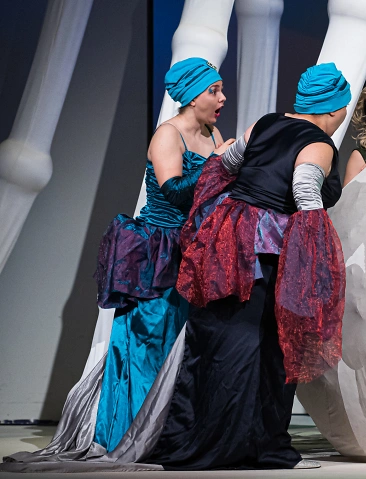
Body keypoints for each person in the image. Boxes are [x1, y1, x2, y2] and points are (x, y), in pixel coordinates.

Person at [1, 57, 232, 465]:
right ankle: (131, 433)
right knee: (147, 344)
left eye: (220, 89)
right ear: (193, 95)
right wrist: (218, 164)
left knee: (182, 347)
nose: (222, 98)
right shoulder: (168, 135)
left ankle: (170, 433)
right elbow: (176, 192)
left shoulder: (213, 134)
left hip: (191, 250)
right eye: (214, 90)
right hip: (158, 252)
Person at [145, 62, 348, 470]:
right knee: (264, 346)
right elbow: (305, 192)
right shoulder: (319, 143)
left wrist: (219, 217)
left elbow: (224, 167)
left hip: (227, 237)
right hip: (266, 250)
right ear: (333, 107)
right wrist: (315, 265)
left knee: (216, 338)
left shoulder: (265, 122)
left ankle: (196, 438)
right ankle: (255, 444)